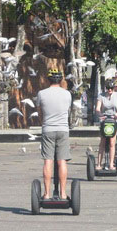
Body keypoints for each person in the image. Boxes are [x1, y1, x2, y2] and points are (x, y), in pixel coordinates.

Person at [35, 69, 72, 200]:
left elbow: (40, 113)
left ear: (48, 79)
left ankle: (47, 194)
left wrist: (44, 123)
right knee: (62, 161)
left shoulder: (41, 94)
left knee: (48, 161)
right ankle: (62, 193)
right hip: (63, 130)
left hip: (48, 130)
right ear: (61, 80)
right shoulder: (67, 94)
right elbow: (68, 111)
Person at [95, 79, 117, 170]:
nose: (110, 90)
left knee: (112, 142)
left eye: (111, 88)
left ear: (114, 88)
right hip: (104, 120)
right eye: (108, 88)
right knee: (102, 141)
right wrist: (100, 115)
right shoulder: (101, 96)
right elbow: (98, 109)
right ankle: (99, 164)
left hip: (114, 120)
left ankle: (111, 164)